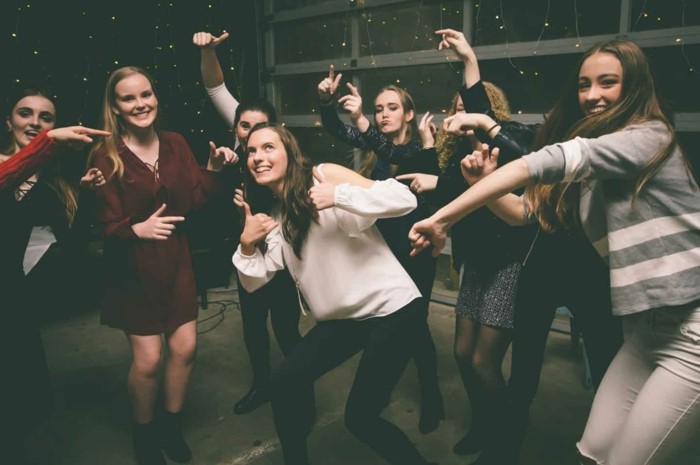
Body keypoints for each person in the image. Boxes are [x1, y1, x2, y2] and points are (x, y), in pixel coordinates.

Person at [410, 39, 700, 465]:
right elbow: (523, 211)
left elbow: (540, 161)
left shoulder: (649, 136)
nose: (592, 95)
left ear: (635, 86)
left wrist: (442, 219)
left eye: (608, 82)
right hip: (645, 332)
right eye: (584, 84)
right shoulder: (598, 167)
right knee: (593, 450)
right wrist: (480, 187)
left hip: (691, 330)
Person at [233, 123, 437, 465]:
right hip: (343, 319)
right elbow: (256, 282)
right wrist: (247, 244)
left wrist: (338, 195)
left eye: (268, 147)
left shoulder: (323, 176)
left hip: (393, 310)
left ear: (290, 152)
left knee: (361, 419)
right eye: (251, 151)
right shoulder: (278, 213)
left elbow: (404, 199)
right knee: (283, 383)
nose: (257, 157)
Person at [89, 65, 236, 465]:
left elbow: (194, 201)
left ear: (156, 97)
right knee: (150, 360)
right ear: (115, 107)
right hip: (134, 269)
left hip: (176, 261)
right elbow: (105, 225)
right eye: (129, 98)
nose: (140, 104)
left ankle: (170, 426)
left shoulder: (175, 143)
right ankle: (144, 433)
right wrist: (136, 230)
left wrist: (214, 170)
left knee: (186, 349)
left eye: (146, 94)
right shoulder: (106, 155)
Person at [317, 66, 444, 433]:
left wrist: (360, 120)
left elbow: (395, 153)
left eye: (392, 107)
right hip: (381, 250)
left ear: (408, 113)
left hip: (415, 251)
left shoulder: (419, 148)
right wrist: (328, 104)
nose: (383, 114)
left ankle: (431, 393)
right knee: (385, 323)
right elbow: (337, 130)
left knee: (415, 326)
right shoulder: (377, 149)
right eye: (378, 108)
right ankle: (382, 387)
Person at [194, 30, 303, 415]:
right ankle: (262, 385)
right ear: (236, 127)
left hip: (284, 261)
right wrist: (208, 51)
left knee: (288, 331)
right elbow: (215, 88)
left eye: (261, 129)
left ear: (276, 131)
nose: (252, 135)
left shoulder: (281, 157)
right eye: (244, 128)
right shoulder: (233, 154)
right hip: (247, 257)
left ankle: (300, 394)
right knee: (253, 329)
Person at [2, 122, 108, 464]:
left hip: (12, 298)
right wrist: (46, 143)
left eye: (45, 117)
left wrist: (87, 194)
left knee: (27, 401)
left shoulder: (51, 186)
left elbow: (74, 246)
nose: (35, 122)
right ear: (9, 122)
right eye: (25, 112)